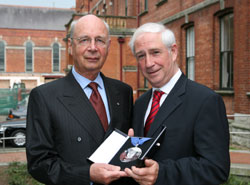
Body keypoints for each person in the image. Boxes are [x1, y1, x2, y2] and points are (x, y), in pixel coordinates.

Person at [26, 14, 134, 185]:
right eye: (84, 40)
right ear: (70, 46)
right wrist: (87, 174)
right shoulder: (44, 97)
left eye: (99, 40)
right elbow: (39, 164)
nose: (93, 48)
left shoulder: (123, 92)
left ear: (108, 46)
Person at [125, 22, 230, 185]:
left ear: (173, 52)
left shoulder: (205, 100)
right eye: (141, 56)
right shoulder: (140, 104)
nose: (148, 63)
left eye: (155, 52)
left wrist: (161, 173)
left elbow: (216, 168)